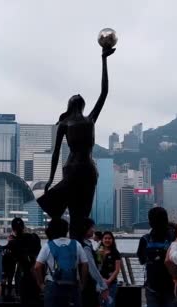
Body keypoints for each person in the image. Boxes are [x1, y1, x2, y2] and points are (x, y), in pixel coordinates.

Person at [37, 46, 116, 237]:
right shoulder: (73, 122)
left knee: (79, 214)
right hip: (83, 170)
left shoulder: (81, 121)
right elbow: (55, 152)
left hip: (78, 170)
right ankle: (73, 245)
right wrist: (49, 178)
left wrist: (104, 60)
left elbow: (104, 92)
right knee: (75, 211)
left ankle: (77, 246)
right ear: (76, 104)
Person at [35, 218, 89, 307]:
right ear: (66, 230)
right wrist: (82, 283)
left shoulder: (48, 245)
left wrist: (40, 284)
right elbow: (85, 265)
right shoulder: (76, 244)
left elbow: (37, 266)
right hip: (73, 288)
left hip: (53, 288)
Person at [137, 207, 177, 307]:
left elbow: (141, 259)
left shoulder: (145, 239)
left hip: (152, 286)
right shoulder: (175, 238)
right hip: (172, 284)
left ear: (150, 222)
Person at [7, 217, 48, 307]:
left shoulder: (13, 243)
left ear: (13, 229)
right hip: (37, 274)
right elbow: (40, 255)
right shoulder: (34, 237)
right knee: (41, 306)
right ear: (24, 226)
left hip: (24, 275)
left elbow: (12, 260)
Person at [75, 218, 109, 307]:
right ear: (85, 229)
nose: (93, 230)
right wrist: (102, 284)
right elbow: (92, 268)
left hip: (83, 286)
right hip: (87, 286)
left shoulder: (83, 244)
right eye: (91, 228)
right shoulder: (85, 246)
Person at [98, 231, 121, 307]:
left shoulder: (115, 253)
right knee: (101, 306)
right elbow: (96, 268)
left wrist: (109, 280)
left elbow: (117, 269)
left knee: (110, 305)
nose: (107, 240)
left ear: (112, 240)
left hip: (111, 284)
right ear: (102, 240)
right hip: (99, 284)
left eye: (109, 238)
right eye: (105, 238)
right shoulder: (98, 252)